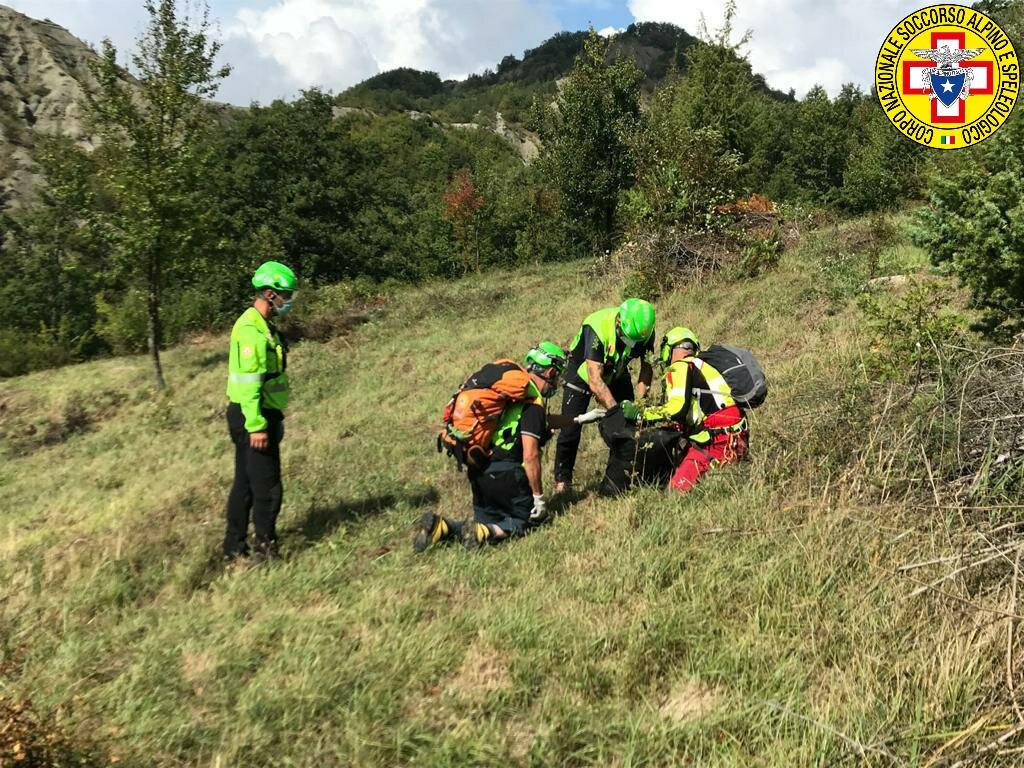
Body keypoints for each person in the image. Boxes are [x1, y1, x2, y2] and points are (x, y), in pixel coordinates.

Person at [415, 342, 605, 552]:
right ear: (550, 372)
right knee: (522, 524)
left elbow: (544, 421)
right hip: (507, 474)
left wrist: (579, 419)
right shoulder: (533, 401)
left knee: (485, 524)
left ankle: (443, 527)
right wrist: (538, 498)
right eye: (556, 375)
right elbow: (530, 454)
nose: (556, 382)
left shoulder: (510, 394)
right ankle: (482, 533)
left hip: (480, 470)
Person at [223, 260, 297, 561]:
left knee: (245, 485)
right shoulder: (251, 331)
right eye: (285, 295)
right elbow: (250, 382)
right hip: (253, 416)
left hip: (261, 414)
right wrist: (257, 426)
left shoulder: (264, 326)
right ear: (269, 294)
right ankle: (266, 549)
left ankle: (233, 549)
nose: (288, 301)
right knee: (268, 488)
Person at [627, 326, 749, 493]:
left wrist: (640, 413)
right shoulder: (703, 366)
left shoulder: (680, 367)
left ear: (667, 351)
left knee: (674, 493)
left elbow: (676, 409)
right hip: (738, 437)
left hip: (717, 441)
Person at [553, 298, 657, 492]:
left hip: (616, 369)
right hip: (583, 373)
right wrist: (615, 410)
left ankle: (623, 471)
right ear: (619, 322)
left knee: (630, 422)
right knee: (571, 426)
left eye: (636, 341)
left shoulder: (646, 331)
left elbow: (646, 368)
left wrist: (639, 404)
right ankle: (562, 481)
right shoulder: (597, 326)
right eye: (628, 337)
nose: (633, 343)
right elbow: (595, 381)